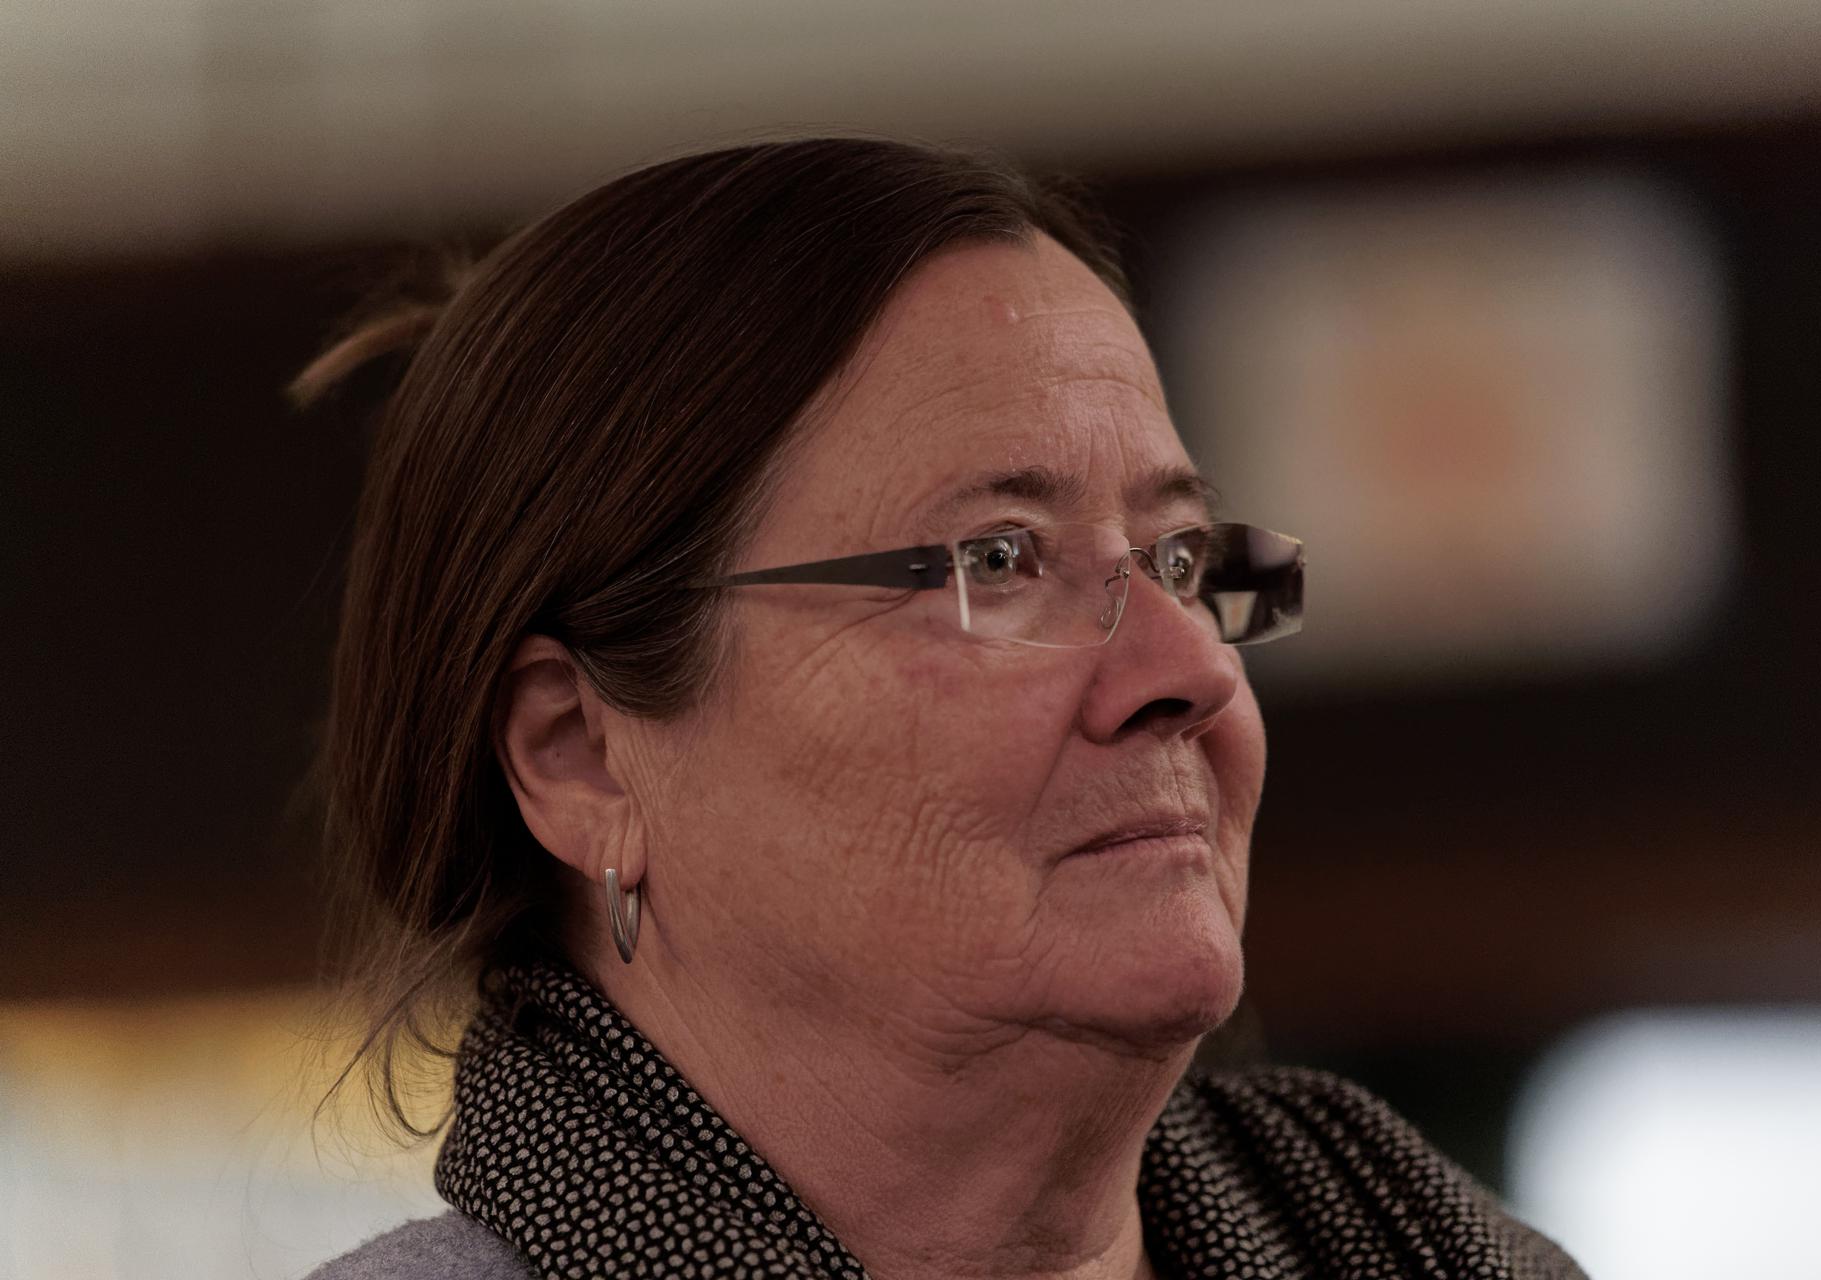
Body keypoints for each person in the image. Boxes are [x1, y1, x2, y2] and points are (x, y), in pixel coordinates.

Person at [295, 135, 1584, 1280]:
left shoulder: (1438, 1249)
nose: (1188, 671)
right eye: (999, 559)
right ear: (579, 756)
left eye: (1182, 559)